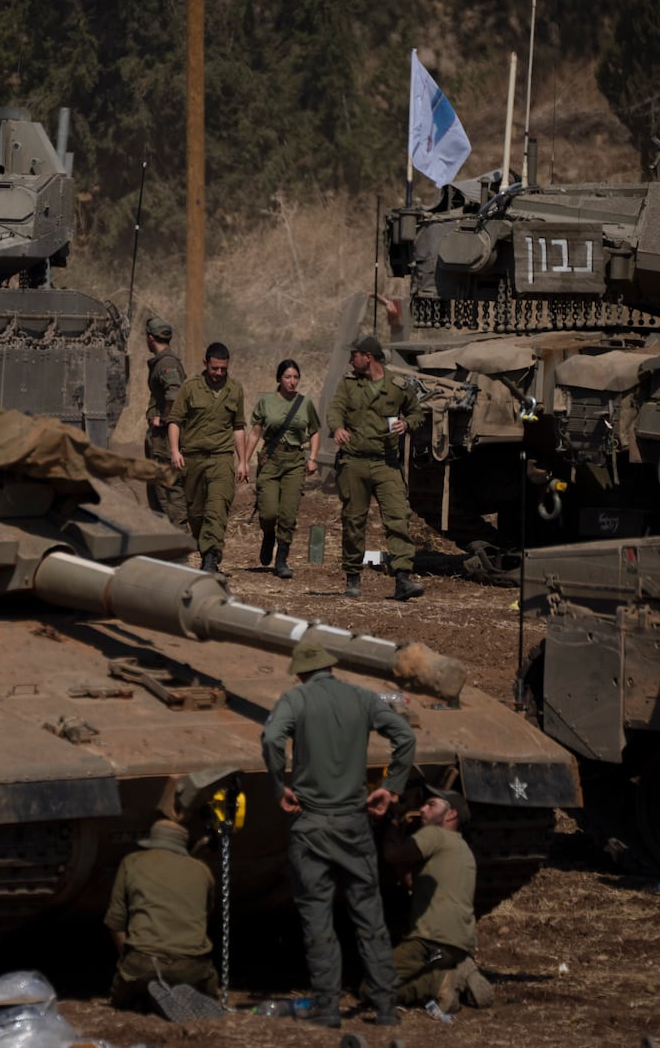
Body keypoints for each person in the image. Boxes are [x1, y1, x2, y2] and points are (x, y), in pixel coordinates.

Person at [261, 635, 417, 1028]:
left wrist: (280, 785)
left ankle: (328, 1007)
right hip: (354, 823)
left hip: (310, 823)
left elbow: (271, 738)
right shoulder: (363, 699)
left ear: (302, 672)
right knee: (369, 915)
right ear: (330, 667)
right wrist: (391, 787)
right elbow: (405, 736)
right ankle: (385, 1006)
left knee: (317, 916)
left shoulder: (295, 700)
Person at [378, 786, 495, 1014]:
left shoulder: (434, 834)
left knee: (374, 984)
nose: (422, 809)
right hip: (461, 942)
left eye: (431, 805)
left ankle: (438, 985)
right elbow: (415, 883)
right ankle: (460, 967)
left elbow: (392, 854)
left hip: (430, 941)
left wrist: (391, 820)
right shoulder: (462, 849)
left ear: (451, 814)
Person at [328, 334, 425, 601]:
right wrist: (337, 427)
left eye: (354, 355)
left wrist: (407, 423)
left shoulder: (397, 385)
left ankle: (403, 578)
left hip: (386, 463)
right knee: (353, 522)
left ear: (367, 357)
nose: (351, 359)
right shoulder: (349, 385)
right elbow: (335, 409)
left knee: (398, 518)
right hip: (354, 462)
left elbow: (417, 412)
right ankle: (352, 577)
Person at [104, 818, 219, 1010]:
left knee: (126, 996)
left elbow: (115, 923)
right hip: (191, 969)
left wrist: (132, 958)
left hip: (143, 965)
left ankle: (146, 993)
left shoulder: (131, 862)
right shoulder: (202, 871)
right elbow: (204, 918)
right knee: (206, 991)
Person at [167, 341, 248, 573]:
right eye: (215, 368)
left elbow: (238, 427)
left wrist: (242, 461)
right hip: (192, 460)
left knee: (217, 508)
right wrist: (175, 451)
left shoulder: (235, 389)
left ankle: (211, 558)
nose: (219, 373)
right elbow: (175, 421)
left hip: (222, 459)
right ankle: (206, 551)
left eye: (223, 369)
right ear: (206, 364)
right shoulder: (190, 387)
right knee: (197, 514)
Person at [246, 359, 321, 579]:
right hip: (270, 459)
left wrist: (313, 457)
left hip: (295, 460)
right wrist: (244, 461)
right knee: (268, 511)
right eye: (288, 377)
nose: (292, 381)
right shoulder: (266, 402)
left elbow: (315, 431)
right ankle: (268, 534)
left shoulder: (305, 403)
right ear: (279, 378)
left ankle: (282, 560)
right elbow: (255, 432)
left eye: (296, 377)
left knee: (288, 514)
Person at [142, 317, 188, 527]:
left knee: (168, 490)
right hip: (158, 440)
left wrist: (166, 419)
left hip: (164, 440)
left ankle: (180, 539)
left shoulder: (167, 363)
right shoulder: (163, 361)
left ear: (150, 338)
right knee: (157, 491)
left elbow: (174, 393)